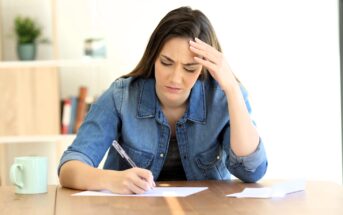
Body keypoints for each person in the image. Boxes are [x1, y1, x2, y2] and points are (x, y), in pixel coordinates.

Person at [58, 6, 268, 194]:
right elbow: (69, 168)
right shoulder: (121, 96)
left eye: (189, 68)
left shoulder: (222, 98)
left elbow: (252, 171)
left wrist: (232, 89)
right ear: (153, 57)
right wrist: (112, 179)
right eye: (166, 62)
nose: (175, 78)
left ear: (204, 68)